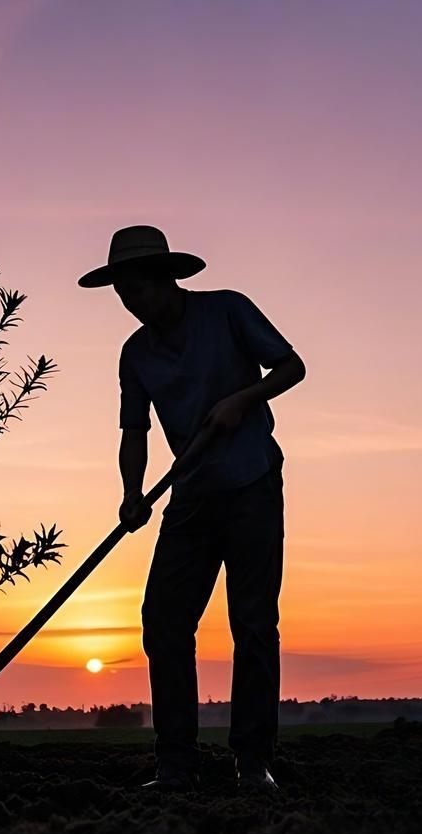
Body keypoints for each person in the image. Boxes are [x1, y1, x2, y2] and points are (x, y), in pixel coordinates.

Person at [79, 225, 305, 793]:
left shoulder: (227, 312)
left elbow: (291, 367)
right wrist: (132, 493)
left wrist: (242, 399)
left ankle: (253, 761)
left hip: (252, 486)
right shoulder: (135, 354)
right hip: (192, 497)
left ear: (165, 278)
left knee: (252, 624)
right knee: (163, 620)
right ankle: (176, 763)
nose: (130, 303)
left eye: (136, 290)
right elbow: (135, 430)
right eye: (121, 295)